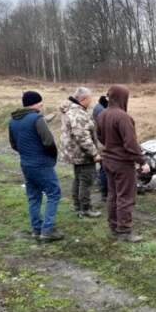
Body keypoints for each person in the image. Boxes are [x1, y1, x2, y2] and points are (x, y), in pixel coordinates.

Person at [97, 85, 150, 242]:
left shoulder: (102, 114)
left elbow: (100, 137)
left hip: (108, 161)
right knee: (125, 197)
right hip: (122, 164)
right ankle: (124, 231)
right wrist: (142, 161)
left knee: (113, 195)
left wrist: (112, 147)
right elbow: (130, 144)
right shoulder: (123, 117)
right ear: (122, 98)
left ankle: (114, 226)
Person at [8, 90, 63, 242]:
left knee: (33, 197)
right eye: (40, 102)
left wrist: (27, 153)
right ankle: (47, 230)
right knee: (54, 193)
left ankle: (36, 229)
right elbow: (48, 141)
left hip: (26, 163)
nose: (42, 105)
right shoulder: (37, 118)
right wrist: (52, 156)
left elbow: (13, 144)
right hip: (41, 163)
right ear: (34, 104)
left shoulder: (13, 121)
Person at [59, 87, 102, 218]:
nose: (91, 101)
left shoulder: (73, 110)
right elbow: (82, 137)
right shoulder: (78, 114)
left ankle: (78, 206)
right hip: (82, 154)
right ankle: (85, 208)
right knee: (86, 181)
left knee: (78, 179)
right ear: (84, 99)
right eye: (90, 98)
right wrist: (94, 153)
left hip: (74, 153)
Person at [93, 95, 109, 201]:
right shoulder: (102, 111)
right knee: (105, 168)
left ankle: (104, 191)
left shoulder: (98, 107)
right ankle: (105, 193)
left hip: (99, 142)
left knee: (103, 168)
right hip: (102, 144)